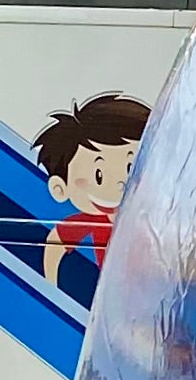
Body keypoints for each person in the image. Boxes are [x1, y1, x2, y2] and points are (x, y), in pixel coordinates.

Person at [34, 93, 149, 283]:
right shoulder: (89, 221)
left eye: (131, 167)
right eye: (99, 176)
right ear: (60, 188)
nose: (120, 183)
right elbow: (56, 243)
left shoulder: (149, 215)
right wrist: (51, 286)